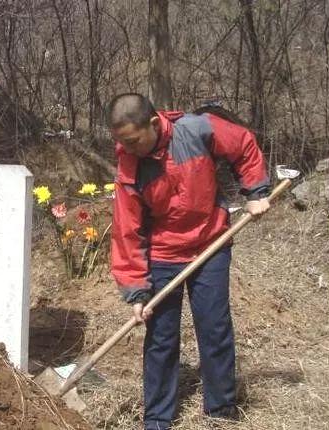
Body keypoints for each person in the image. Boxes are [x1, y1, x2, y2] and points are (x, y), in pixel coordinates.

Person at [107, 93, 270, 429]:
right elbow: (127, 229)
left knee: (214, 327)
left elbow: (243, 143)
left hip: (211, 243)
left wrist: (255, 192)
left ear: (153, 123)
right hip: (163, 254)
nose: (128, 148)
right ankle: (157, 418)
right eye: (122, 141)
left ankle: (221, 411)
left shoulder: (196, 130)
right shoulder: (131, 164)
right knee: (161, 337)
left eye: (133, 140)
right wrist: (136, 290)